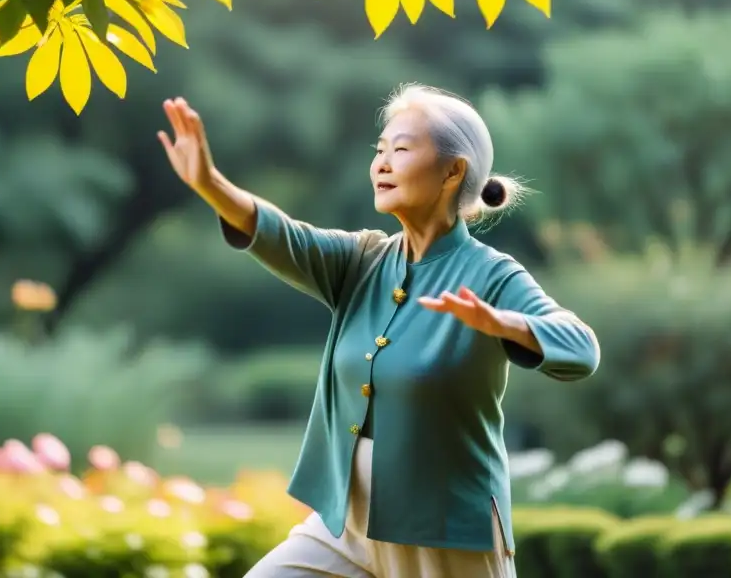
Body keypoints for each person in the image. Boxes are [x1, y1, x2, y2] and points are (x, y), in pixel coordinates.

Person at [158, 84, 600, 578]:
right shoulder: (361, 260)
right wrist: (210, 183)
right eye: (381, 150)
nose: (383, 163)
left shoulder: (493, 275)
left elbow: (581, 347)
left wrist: (507, 324)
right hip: (344, 528)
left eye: (403, 149)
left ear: (454, 171)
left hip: (447, 533)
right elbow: (284, 235)